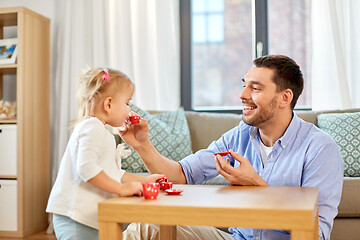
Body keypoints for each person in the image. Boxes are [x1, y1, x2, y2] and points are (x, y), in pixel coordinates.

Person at [120, 55, 344, 240]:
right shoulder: (240, 135)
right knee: (146, 227)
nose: (243, 95)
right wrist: (142, 145)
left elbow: (317, 235)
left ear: (284, 97)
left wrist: (256, 185)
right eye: (244, 85)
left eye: (255, 88)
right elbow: (181, 175)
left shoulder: (320, 149)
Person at [46, 68, 164, 240]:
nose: (129, 110)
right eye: (127, 103)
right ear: (108, 104)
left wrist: (144, 180)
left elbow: (112, 172)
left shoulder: (102, 131)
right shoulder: (91, 127)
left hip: (88, 218)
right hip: (76, 218)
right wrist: (122, 189)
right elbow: (86, 169)